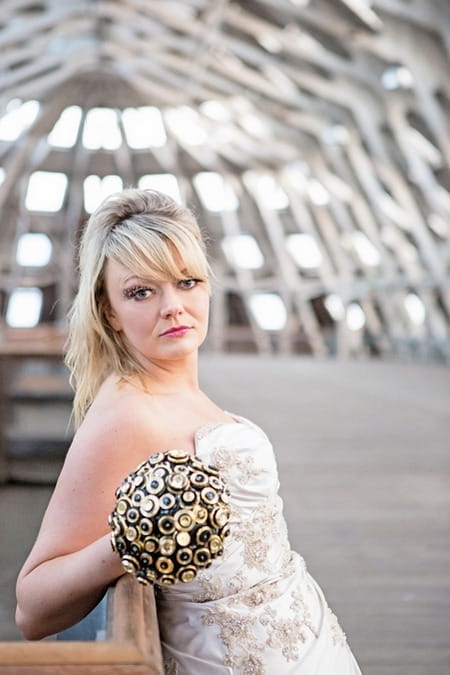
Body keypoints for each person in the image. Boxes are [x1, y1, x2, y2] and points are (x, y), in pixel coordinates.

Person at [16, 188, 362, 674]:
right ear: (109, 310)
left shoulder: (175, 391)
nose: (173, 306)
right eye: (142, 291)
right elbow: (32, 609)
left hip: (310, 641)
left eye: (187, 281)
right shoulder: (127, 415)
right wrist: (128, 543)